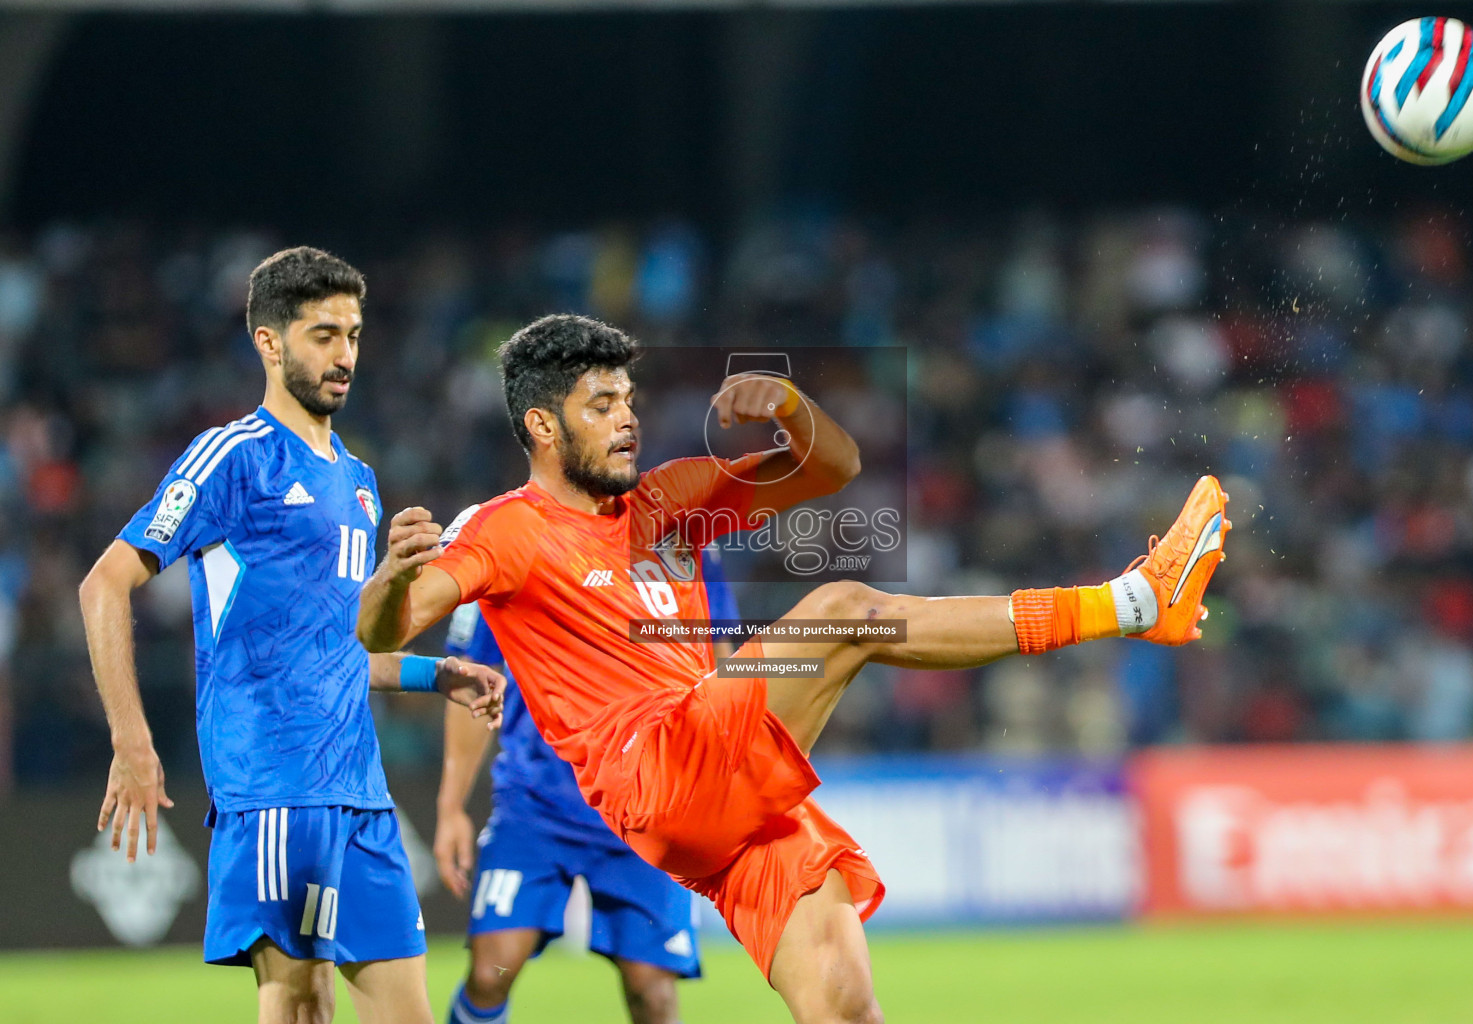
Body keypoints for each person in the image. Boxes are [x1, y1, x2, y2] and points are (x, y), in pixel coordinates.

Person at [357, 314, 1229, 1024]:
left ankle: (1141, 605)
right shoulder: (506, 530)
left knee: (845, 1001)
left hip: (717, 788)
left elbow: (833, 467)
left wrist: (790, 404)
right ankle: (1134, 604)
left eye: (629, 398)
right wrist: (394, 580)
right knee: (846, 610)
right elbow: (383, 629)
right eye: (599, 404)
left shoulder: (667, 498)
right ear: (542, 426)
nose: (626, 417)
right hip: (651, 769)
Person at [78, 247, 506, 1024]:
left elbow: (333, 648)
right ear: (269, 344)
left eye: (353, 333)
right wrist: (131, 740)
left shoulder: (360, 479)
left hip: (362, 795)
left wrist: (431, 674)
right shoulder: (231, 457)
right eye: (322, 335)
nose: (344, 355)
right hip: (276, 787)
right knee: (303, 1006)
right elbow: (103, 583)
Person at [433, 543, 735, 1024]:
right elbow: (474, 679)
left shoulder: (682, 539)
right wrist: (451, 807)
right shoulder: (510, 538)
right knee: (492, 969)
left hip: (645, 805)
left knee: (653, 992)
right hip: (536, 802)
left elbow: (721, 666)